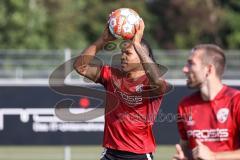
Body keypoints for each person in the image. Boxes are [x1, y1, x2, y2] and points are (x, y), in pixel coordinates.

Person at [74, 19, 169, 160]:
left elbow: (157, 81)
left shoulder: (152, 84)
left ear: (142, 56)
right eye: (122, 52)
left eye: (128, 53)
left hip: (139, 155)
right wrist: (102, 40)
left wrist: (137, 44)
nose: (122, 57)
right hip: (111, 154)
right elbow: (80, 67)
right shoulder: (112, 75)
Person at [173, 44, 240, 160]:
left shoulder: (236, 101)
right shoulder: (185, 105)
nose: (184, 69)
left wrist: (214, 157)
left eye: (191, 63)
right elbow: (186, 148)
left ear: (208, 69)